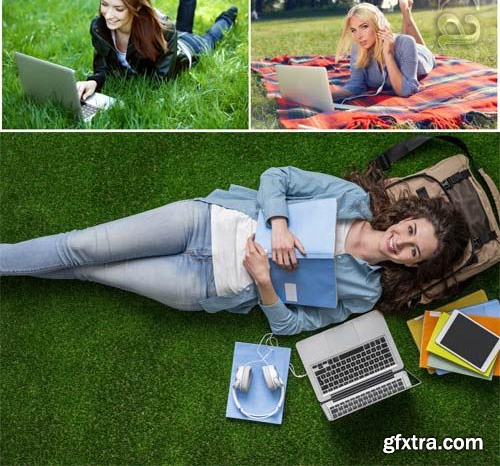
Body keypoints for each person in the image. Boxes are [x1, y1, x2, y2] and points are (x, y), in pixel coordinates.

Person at [0, 164, 470, 334]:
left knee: (91, 271)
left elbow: (292, 327)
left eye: (414, 252)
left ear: (416, 267)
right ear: (407, 216)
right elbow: (277, 177)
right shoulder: (353, 201)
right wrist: (280, 224)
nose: (401, 242)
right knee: (80, 247)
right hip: (203, 222)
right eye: (411, 231)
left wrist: (266, 284)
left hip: (205, 285)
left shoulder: (364, 294)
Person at [76, 0, 238, 100]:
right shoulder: (99, 28)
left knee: (209, 39)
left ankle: (228, 16)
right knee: (183, 26)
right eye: (104, 4)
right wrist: (94, 82)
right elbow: (103, 68)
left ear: (137, 6)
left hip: (186, 48)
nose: (109, 15)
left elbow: (160, 83)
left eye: (119, 8)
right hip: (169, 36)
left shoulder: (164, 31)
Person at [331, 0, 435, 101]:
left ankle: (405, 9)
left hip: (421, 54)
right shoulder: (359, 46)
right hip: (398, 43)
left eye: (364, 27)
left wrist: (388, 54)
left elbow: (406, 91)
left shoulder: (407, 42)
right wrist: (330, 96)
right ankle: (405, 7)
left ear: (378, 25)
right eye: (353, 30)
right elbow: (356, 85)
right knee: (402, 40)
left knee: (405, 40)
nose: (358, 36)